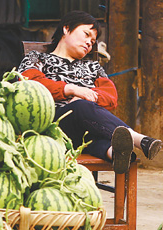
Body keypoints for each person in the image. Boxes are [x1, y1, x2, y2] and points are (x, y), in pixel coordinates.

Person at [17, 10, 162, 174]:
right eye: (86, 34)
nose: (89, 43)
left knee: (95, 134)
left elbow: (111, 97)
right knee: (80, 107)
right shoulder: (38, 59)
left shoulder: (93, 67)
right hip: (51, 128)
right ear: (66, 29)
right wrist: (71, 90)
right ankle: (140, 140)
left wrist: (86, 98)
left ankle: (117, 154)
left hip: (84, 132)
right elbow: (28, 84)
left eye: (93, 41)